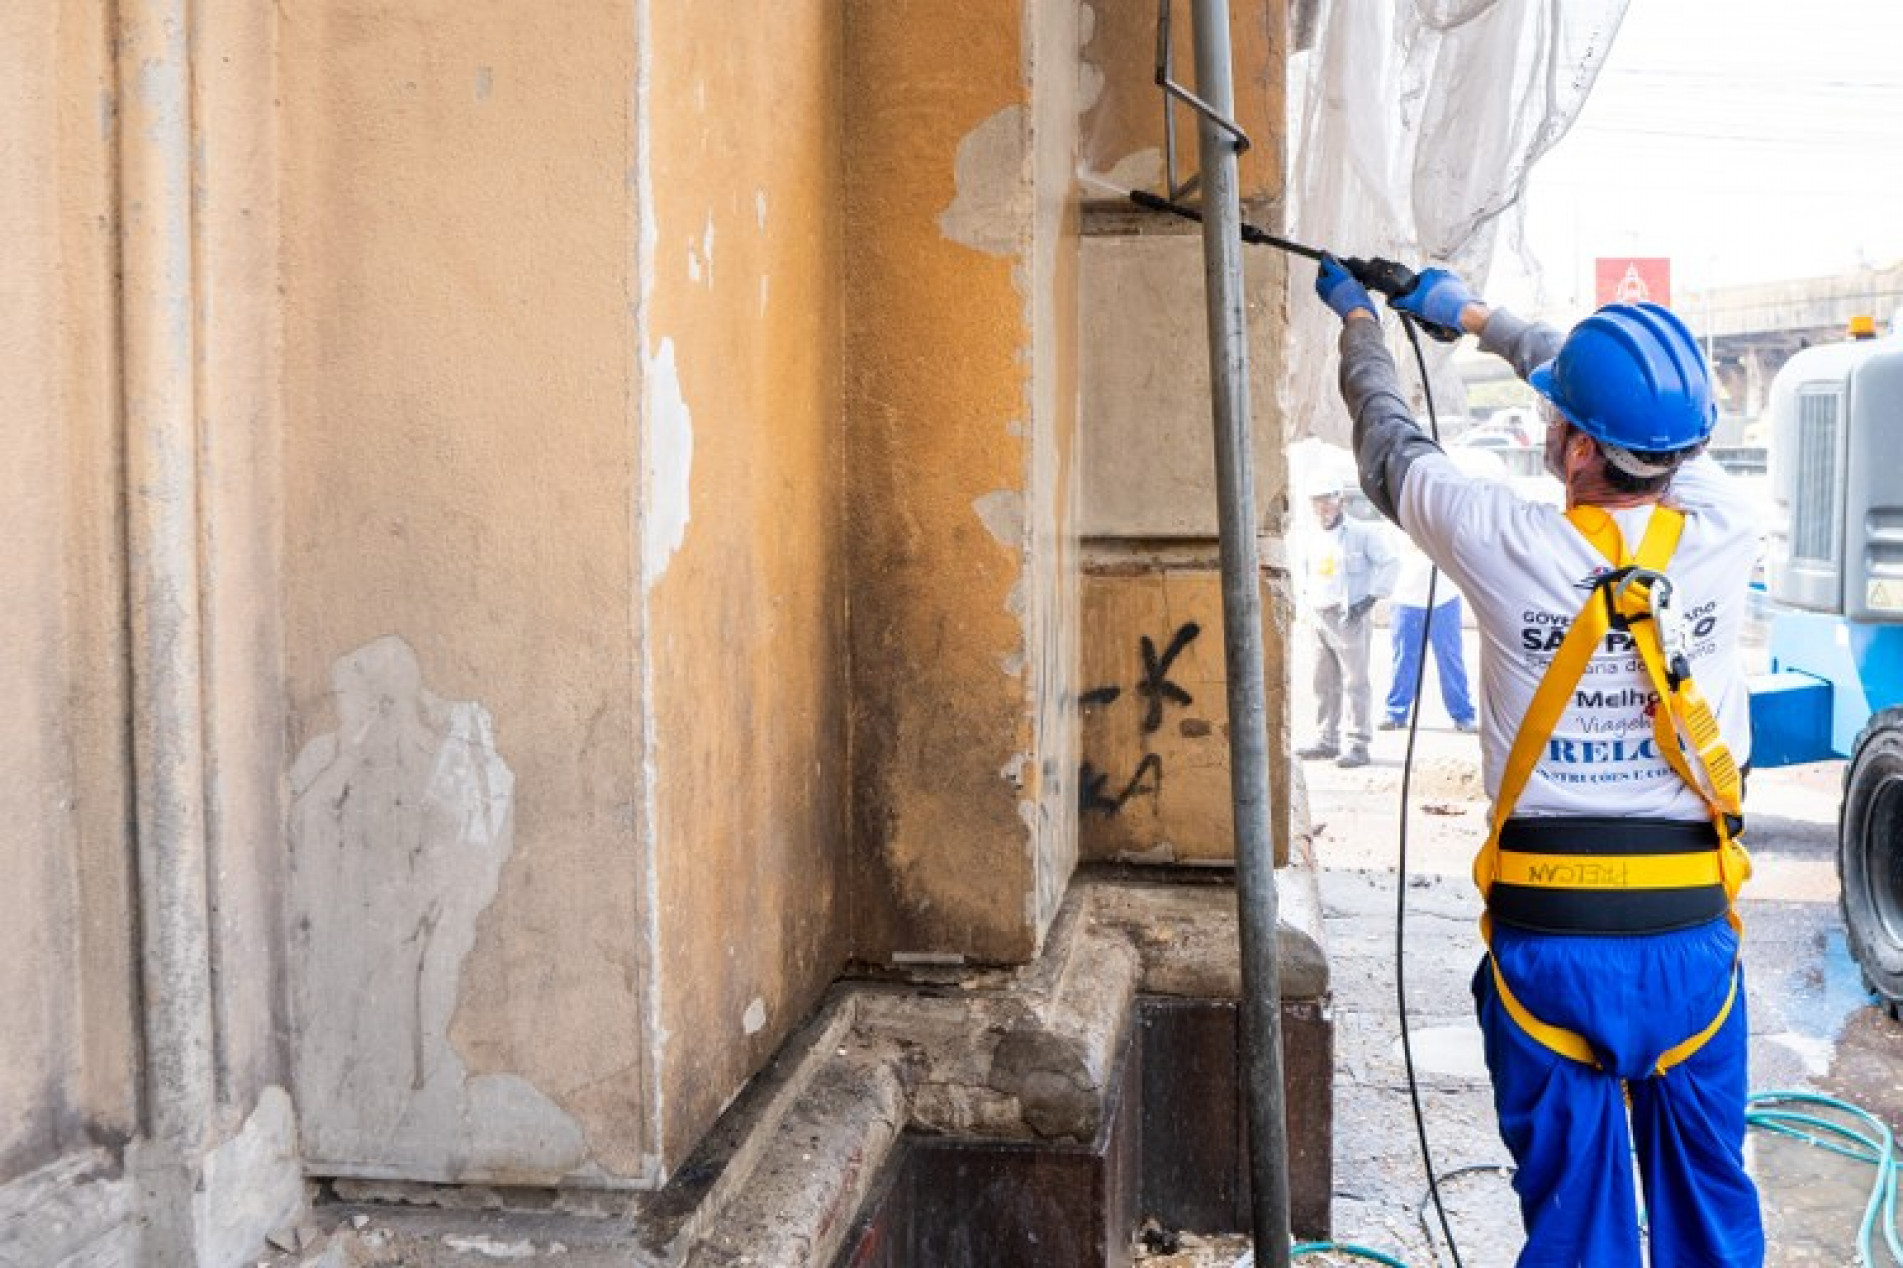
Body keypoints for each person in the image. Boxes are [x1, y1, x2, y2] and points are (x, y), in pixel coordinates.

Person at [1314, 258, 1763, 1267]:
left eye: (1558, 418)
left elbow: (1387, 441)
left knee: (1572, 1228)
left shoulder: (1497, 537)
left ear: (1576, 450)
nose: (1547, 424)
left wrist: (1362, 323)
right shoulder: (1725, 523)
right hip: (1689, 944)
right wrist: (1477, 316)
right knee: (1708, 1207)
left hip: (1548, 948)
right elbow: (1609, 392)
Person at [1295, 481, 1398, 769]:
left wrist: (1369, 600)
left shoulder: (1362, 533)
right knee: (1323, 681)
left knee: (1355, 682)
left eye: (1328, 500)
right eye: (1317, 501)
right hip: (1319, 615)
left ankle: (1358, 744)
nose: (1323, 507)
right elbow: (1305, 572)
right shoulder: (1311, 535)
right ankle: (1327, 740)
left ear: (1340, 501)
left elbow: (1390, 563)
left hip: (1350, 617)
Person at [1381, 536, 1477, 733]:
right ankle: (1395, 713)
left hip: (1444, 599)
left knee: (1450, 658)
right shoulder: (1395, 526)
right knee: (1403, 658)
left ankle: (1463, 715)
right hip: (1405, 600)